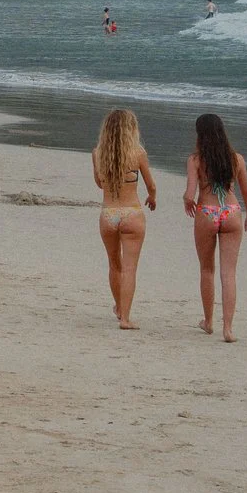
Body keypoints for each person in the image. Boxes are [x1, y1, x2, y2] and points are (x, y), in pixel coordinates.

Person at [183, 112, 247, 341]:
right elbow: (246, 193)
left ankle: (208, 321)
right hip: (231, 212)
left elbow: (189, 193)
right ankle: (228, 329)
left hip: (207, 212)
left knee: (207, 269)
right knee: (229, 273)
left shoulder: (195, 160)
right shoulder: (237, 159)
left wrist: (187, 201)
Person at [92, 108, 156, 331]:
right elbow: (151, 185)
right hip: (131, 212)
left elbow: (99, 183)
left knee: (114, 264)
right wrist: (152, 198)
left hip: (109, 213)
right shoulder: (137, 153)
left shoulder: (98, 152)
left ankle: (119, 307)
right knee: (130, 268)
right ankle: (125, 318)